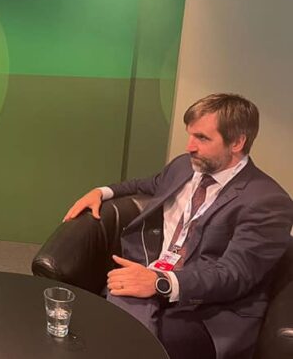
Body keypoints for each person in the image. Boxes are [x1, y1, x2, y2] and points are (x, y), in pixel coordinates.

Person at [64, 93, 293, 359]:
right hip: (153, 279)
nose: (189, 146)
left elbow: (234, 275)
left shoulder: (267, 201)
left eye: (202, 138)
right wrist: (101, 192)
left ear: (237, 142)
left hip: (209, 310)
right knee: (94, 328)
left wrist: (161, 282)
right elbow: (144, 185)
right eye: (190, 135)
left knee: (120, 339)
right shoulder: (184, 167)